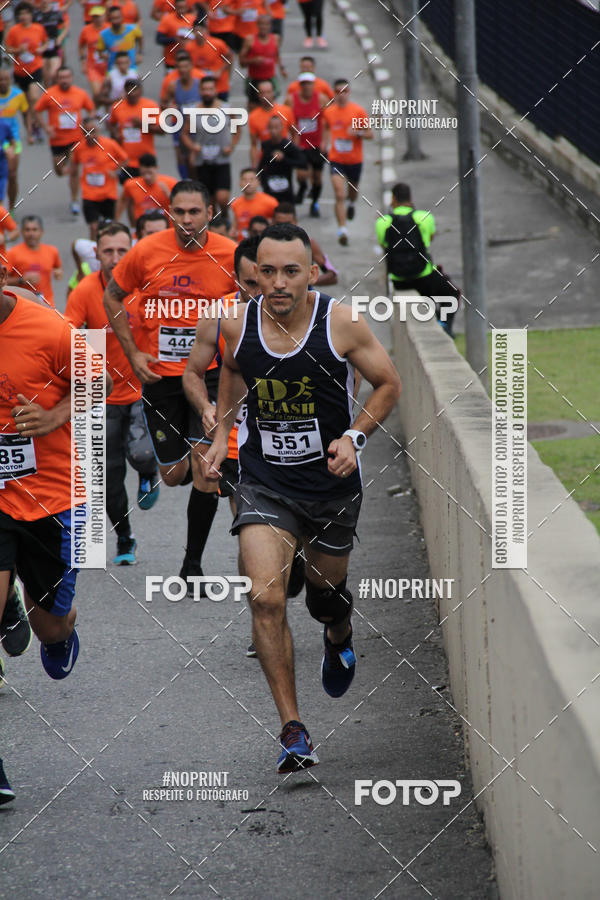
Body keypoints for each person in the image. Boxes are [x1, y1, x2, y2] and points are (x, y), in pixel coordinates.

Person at [201, 222, 402, 771]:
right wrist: (222, 434)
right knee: (266, 597)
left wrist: (354, 437)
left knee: (323, 595)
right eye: (267, 271)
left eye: (292, 271)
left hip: (330, 485)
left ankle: (339, 633)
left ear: (313, 272)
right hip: (265, 482)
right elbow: (234, 376)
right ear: (254, 275)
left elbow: (388, 383)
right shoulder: (237, 325)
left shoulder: (340, 323)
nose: (279, 283)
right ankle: (293, 729)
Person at [0, 263, 111, 805]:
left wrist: (55, 416)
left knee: (51, 628)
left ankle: (50, 622)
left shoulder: (45, 326)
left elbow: (101, 379)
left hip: (51, 495)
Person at [103, 180, 237, 586]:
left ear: (210, 213)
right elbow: (113, 295)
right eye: (178, 212)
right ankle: (165, 473)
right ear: (168, 214)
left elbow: (252, 308)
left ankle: (191, 565)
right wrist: (132, 353)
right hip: (160, 378)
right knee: (174, 474)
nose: (186, 219)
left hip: (210, 377)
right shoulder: (146, 252)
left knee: (206, 469)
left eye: (194, 211)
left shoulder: (230, 256)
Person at [66, 221, 160, 565]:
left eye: (123, 250)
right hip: (101, 398)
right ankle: (124, 538)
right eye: (108, 251)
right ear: (97, 252)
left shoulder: (146, 287)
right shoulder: (84, 292)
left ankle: (150, 473)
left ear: (133, 249)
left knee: (143, 455)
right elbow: (70, 336)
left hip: (144, 389)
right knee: (109, 476)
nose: (115, 257)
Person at [375, 182, 461, 337]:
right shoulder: (425, 217)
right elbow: (430, 238)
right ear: (411, 198)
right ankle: (444, 325)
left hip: (398, 280)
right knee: (452, 292)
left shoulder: (382, 222)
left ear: (393, 199)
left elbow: (384, 245)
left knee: (427, 305)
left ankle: (436, 321)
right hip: (424, 278)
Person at [33, 66, 95, 216]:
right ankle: (68, 173)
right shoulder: (50, 94)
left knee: (73, 171)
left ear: (71, 78)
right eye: (61, 77)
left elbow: (91, 110)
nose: (64, 80)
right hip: (57, 140)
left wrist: (88, 126)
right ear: (57, 79)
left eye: (67, 77)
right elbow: (37, 110)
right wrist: (46, 127)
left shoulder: (81, 93)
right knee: (59, 171)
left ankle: (74, 200)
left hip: (76, 139)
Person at [322, 78, 373, 246]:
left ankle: (352, 204)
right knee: (339, 193)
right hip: (336, 159)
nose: (341, 95)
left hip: (354, 160)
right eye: (337, 91)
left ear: (349, 92)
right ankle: (342, 229)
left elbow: (370, 134)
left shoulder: (357, 112)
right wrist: (324, 143)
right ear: (334, 93)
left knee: (352, 192)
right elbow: (327, 128)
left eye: (344, 91)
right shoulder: (329, 112)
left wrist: (357, 132)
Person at [178, 74, 237, 217]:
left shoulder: (226, 108)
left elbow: (238, 127)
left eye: (210, 89)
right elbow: (184, 134)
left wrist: (232, 145)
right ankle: (215, 225)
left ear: (216, 90)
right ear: (200, 91)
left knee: (222, 197)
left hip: (221, 159)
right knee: (209, 201)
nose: (207, 92)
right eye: (204, 89)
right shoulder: (194, 112)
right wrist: (193, 147)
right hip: (202, 161)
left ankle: (225, 217)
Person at [72, 114, 128, 239]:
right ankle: (93, 253)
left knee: (110, 227)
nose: (91, 136)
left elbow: (125, 159)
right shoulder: (79, 148)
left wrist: (116, 171)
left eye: (94, 132)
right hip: (89, 194)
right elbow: (74, 165)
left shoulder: (110, 144)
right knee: (94, 227)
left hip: (108, 193)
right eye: (87, 132)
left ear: (99, 131)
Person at [288, 71, 329, 217]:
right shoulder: (291, 100)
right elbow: (288, 120)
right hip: (301, 144)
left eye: (309, 84)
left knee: (317, 177)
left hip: (317, 144)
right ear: (299, 86)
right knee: (301, 174)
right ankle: (303, 186)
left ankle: (314, 203)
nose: (306, 87)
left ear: (314, 85)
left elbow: (326, 122)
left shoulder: (321, 99)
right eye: (303, 84)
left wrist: (325, 141)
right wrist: (293, 140)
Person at [3, 215, 62, 308]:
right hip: (22, 306)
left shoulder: (52, 251)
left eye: (34, 230)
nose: (31, 233)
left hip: (47, 304)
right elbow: (2, 281)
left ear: (41, 232)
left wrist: (58, 273)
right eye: (27, 230)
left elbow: (58, 268)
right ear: (22, 232)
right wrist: (21, 280)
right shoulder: (12, 253)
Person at [272, 201, 337, 285]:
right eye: (279, 224)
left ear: (295, 222)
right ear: (273, 222)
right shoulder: (264, 243)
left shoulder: (308, 243)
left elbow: (332, 276)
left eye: (288, 224)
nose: (284, 228)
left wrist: (305, 282)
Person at [108, 79, 160, 181]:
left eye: (135, 90)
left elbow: (161, 130)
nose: (132, 93)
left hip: (146, 160)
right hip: (126, 159)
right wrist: (115, 134)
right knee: (129, 189)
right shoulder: (117, 106)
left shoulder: (150, 106)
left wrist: (142, 124)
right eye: (129, 90)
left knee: (145, 190)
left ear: (141, 91)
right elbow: (111, 124)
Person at [4, 2, 48, 107]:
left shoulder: (38, 28)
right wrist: (19, 50)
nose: (24, 16)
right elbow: (7, 49)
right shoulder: (14, 31)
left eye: (26, 13)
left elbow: (46, 42)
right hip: (20, 70)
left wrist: (41, 49)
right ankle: (31, 121)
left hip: (36, 67)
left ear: (31, 15)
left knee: (34, 97)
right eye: (21, 14)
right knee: (26, 103)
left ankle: (35, 120)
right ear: (18, 16)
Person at [115, 152, 176, 226]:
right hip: (142, 228)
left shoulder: (170, 183)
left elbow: (180, 204)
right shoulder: (131, 185)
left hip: (165, 226)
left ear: (156, 168)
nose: (147, 177)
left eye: (150, 173)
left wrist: (169, 195)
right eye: (144, 173)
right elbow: (122, 201)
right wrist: (116, 221)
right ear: (139, 169)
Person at [239, 13, 286, 107]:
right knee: (253, 106)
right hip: (254, 79)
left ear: (270, 26)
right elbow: (241, 63)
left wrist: (282, 68)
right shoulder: (250, 40)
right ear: (257, 25)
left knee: (272, 106)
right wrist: (253, 61)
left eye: (267, 24)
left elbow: (276, 54)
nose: (264, 27)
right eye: (261, 24)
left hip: (270, 78)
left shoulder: (276, 39)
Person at [258, 115, 305, 204]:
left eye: (276, 128)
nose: (274, 131)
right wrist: (261, 179)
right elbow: (262, 163)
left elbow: (302, 162)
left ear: (282, 128)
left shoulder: (288, 145)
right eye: (271, 128)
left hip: (285, 189)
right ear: (268, 128)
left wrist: (284, 159)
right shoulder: (265, 145)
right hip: (269, 188)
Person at [0, 67, 29, 208]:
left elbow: (25, 114)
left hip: (13, 140)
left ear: (10, 80)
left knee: (12, 175)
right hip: (1, 139)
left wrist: (29, 133)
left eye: (6, 79)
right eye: (0, 80)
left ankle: (11, 207)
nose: (3, 82)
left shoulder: (18, 95)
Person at [185, 18, 233, 101]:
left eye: (201, 30)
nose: (199, 33)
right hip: (201, 87)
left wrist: (220, 71)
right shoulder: (189, 47)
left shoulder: (217, 44)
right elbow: (188, 65)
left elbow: (230, 57)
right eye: (196, 31)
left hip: (219, 85)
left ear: (206, 31)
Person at [248, 79, 293, 168]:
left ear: (273, 92)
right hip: (265, 158)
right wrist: (254, 166)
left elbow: (295, 134)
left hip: (284, 156)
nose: (266, 96)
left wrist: (292, 152)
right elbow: (254, 144)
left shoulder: (285, 111)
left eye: (268, 92)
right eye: (263, 93)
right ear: (258, 95)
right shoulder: (253, 116)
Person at [230, 167, 278, 240]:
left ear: (258, 182)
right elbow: (235, 226)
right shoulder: (236, 203)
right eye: (244, 180)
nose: (248, 183)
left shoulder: (270, 202)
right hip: (242, 245)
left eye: (252, 180)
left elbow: (277, 224)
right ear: (240, 183)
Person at [98, 3, 143, 70]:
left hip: (131, 69)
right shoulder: (104, 35)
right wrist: (105, 57)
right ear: (109, 20)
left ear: (122, 17)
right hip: (113, 70)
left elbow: (140, 38)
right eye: (113, 18)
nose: (116, 21)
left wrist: (139, 53)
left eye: (118, 18)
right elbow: (100, 52)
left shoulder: (133, 29)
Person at [33, 0, 68, 86]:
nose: (44, 1)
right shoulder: (36, 15)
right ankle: (49, 96)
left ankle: (57, 95)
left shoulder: (56, 13)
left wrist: (60, 38)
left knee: (54, 74)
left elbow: (65, 27)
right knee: (46, 79)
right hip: (42, 49)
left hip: (54, 48)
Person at [78, 5, 108, 105]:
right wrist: (83, 61)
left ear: (104, 16)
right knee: (97, 92)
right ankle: (96, 111)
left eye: (99, 16)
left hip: (108, 65)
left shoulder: (109, 28)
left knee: (107, 92)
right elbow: (81, 46)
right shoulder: (86, 30)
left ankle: (104, 113)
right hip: (93, 66)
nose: (97, 19)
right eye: (95, 16)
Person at [155, 0, 195, 69]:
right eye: (179, 7)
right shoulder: (167, 19)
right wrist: (175, 39)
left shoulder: (193, 19)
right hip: (172, 60)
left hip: (190, 60)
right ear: (175, 7)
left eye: (183, 7)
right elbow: (159, 39)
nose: (182, 10)